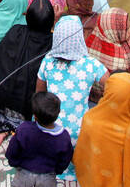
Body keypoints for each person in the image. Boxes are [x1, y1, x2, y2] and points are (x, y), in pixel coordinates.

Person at [1, 91, 74, 187]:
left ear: (34, 115)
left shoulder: (24, 129)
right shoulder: (63, 137)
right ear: (57, 114)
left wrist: (14, 162)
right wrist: (58, 170)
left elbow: (12, 151)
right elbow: (65, 158)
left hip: (26, 172)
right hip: (47, 174)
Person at [36, 16, 109, 159]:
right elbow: (114, 86)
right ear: (79, 38)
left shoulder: (47, 62)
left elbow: (39, 93)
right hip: (80, 133)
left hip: (50, 129)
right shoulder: (91, 64)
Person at [0, 0, 56, 119]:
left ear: (28, 17)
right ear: (51, 21)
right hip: (32, 110)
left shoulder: (15, 32)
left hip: (3, 102)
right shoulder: (53, 44)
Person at [86, 9, 130, 102]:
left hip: (90, 95)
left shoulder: (89, 41)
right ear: (113, 32)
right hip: (115, 99)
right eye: (126, 29)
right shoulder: (128, 56)